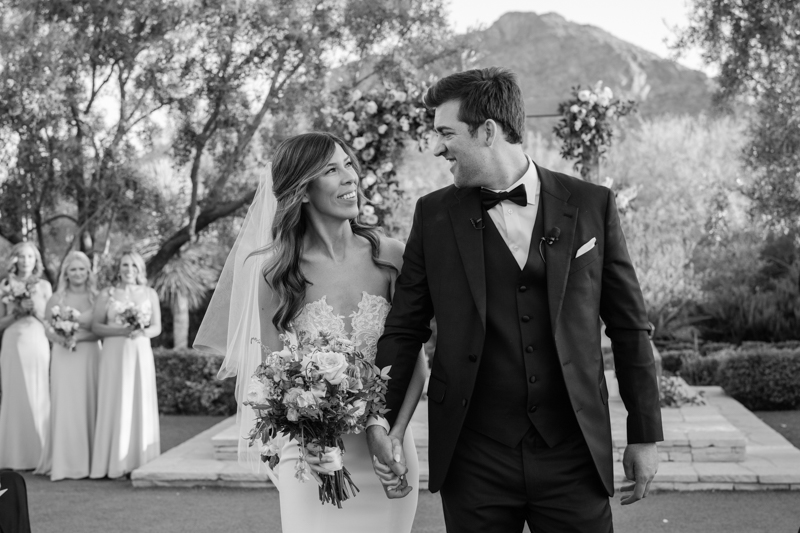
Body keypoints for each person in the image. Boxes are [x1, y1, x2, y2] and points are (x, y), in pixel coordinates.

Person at [367, 67, 663, 532]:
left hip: (573, 452)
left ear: (488, 131)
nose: (437, 147)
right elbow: (405, 328)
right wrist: (380, 420)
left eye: (446, 133)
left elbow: (630, 327)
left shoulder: (592, 204)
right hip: (473, 453)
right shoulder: (433, 215)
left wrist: (645, 436)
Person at [194, 132, 428, 532]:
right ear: (302, 190)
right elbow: (268, 381)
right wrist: (313, 440)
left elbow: (415, 363)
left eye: (349, 165)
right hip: (310, 455)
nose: (350, 177)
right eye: (331, 170)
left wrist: (394, 432)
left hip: (385, 446)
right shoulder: (273, 273)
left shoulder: (390, 256)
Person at [90, 251, 161, 479]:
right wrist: (121, 330)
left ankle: (141, 461)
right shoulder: (107, 294)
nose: (129, 269)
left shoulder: (150, 293)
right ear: (118, 268)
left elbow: (157, 327)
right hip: (113, 353)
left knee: (139, 401)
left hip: (140, 351)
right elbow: (96, 327)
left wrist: (142, 330)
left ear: (140, 269)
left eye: (133, 265)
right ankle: (113, 462)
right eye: (124, 265)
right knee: (115, 400)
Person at [35, 251, 102, 480]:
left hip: (90, 354)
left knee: (89, 401)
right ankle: (64, 462)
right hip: (64, 355)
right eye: (73, 269)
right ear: (66, 273)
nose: (78, 274)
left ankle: (93, 461)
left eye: (82, 269)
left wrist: (79, 338)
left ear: (88, 272)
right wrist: (61, 339)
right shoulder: (56, 298)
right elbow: (46, 326)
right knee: (65, 404)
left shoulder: (97, 297)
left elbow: (100, 329)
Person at [0, 242, 52, 470]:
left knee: (38, 393)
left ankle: (41, 455)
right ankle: (13, 455)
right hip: (13, 341)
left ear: (36, 260)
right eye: (21, 256)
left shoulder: (44, 286)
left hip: (37, 341)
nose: (25, 260)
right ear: (14, 259)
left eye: (30, 256)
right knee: (14, 395)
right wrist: (17, 313)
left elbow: (51, 320)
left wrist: (35, 311)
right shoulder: (4, 285)